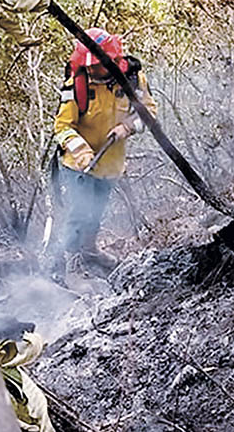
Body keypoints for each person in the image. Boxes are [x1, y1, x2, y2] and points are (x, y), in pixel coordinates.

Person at [49, 28, 156, 281]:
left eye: (97, 66)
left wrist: (128, 127)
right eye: (90, 67)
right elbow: (62, 127)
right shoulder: (76, 85)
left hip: (110, 163)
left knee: (96, 211)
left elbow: (149, 112)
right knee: (79, 212)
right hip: (78, 166)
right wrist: (82, 152)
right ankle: (68, 268)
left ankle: (90, 252)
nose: (93, 71)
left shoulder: (133, 79)